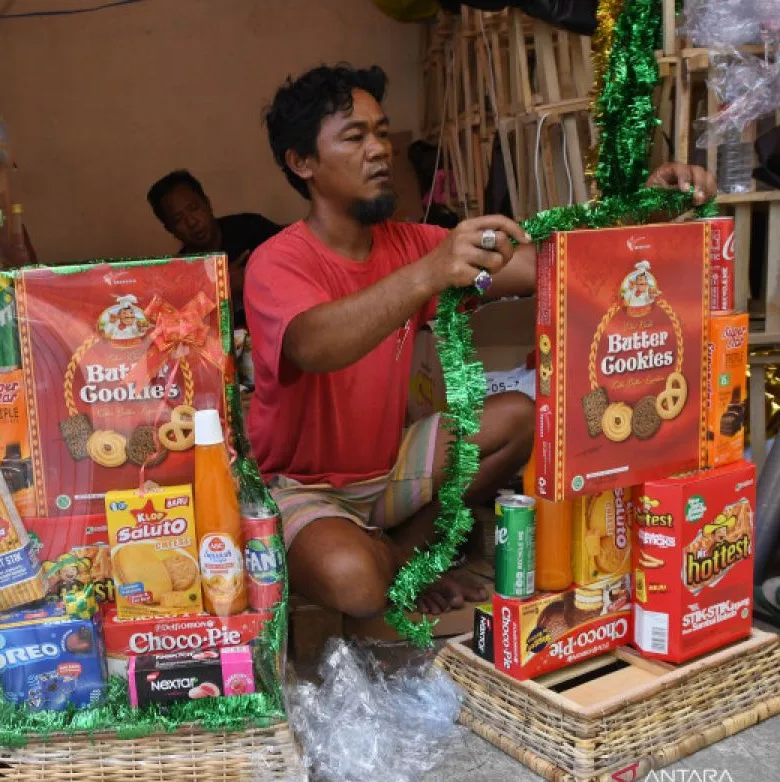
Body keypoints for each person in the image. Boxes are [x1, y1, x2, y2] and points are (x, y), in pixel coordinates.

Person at [244, 64, 717, 617]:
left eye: (382, 132)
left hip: (391, 467)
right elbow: (313, 345)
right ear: (302, 163)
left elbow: (545, 265)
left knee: (518, 416)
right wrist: (429, 273)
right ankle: (384, 562)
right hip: (303, 486)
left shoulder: (412, 243)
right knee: (355, 586)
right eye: (355, 137)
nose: (380, 150)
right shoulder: (277, 261)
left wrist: (646, 208)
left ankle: (405, 556)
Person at [147, 170, 283, 327]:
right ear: (170, 229)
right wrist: (221, 289)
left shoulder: (251, 228)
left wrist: (254, 277)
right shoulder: (178, 275)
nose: (191, 222)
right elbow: (183, 328)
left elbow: (295, 266)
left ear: (207, 203)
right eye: (178, 219)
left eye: (194, 208)